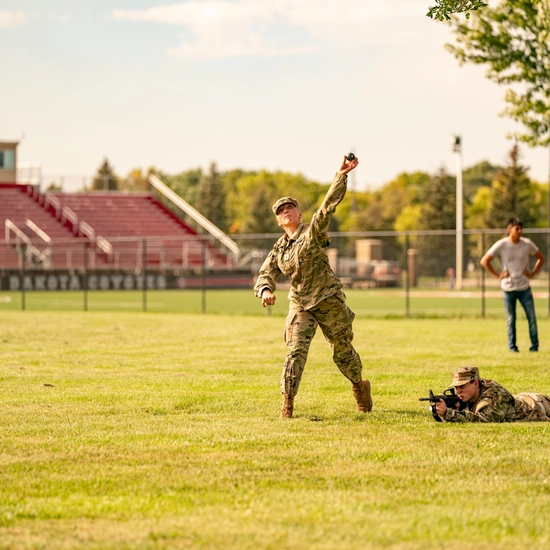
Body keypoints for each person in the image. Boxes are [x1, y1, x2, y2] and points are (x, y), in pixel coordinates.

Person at [254, 155, 372, 418]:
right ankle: (288, 404)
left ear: (299, 213)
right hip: (301, 303)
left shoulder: (313, 232)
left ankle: (359, 386)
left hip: (328, 299)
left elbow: (327, 207)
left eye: (290, 208)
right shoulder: (279, 247)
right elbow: (266, 273)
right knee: (295, 352)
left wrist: (340, 176)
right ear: (278, 221)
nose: (285, 212)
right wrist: (266, 290)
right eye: (280, 211)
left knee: (342, 352)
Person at [480, 218, 545, 352]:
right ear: (509, 230)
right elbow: (484, 261)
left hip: (524, 288)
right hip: (508, 288)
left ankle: (534, 347)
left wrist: (532, 273)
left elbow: (541, 258)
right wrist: (498, 275)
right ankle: (512, 347)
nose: (520, 231)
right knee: (511, 319)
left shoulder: (527, 244)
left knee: (532, 318)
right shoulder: (501, 245)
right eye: (517, 229)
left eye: (521, 229)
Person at [435, 366, 550, 423]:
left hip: (540, 405)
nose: (458, 391)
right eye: (456, 388)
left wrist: (448, 413)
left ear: (475, 383)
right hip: (521, 398)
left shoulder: (494, 396)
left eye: (462, 387)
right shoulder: (474, 392)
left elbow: (483, 420)